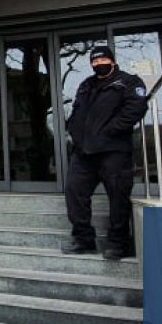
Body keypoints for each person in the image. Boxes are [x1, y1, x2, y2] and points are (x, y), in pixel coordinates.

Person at [62, 45, 147, 260]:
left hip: (113, 151)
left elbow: (135, 110)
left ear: (111, 60)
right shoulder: (86, 84)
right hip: (84, 153)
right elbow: (77, 112)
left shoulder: (129, 82)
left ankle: (117, 244)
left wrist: (109, 132)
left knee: (118, 197)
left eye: (102, 61)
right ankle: (83, 239)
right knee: (74, 190)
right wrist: (73, 131)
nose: (98, 64)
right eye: (94, 61)